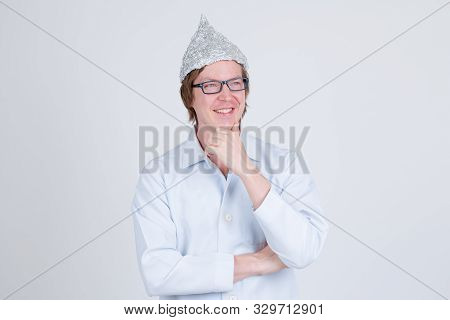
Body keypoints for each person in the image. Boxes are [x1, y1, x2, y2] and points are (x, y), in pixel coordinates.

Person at [131, 14, 329, 300]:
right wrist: (257, 262)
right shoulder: (159, 176)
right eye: (210, 85)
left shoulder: (285, 162)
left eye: (235, 83)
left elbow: (304, 251)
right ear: (189, 97)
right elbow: (158, 274)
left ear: (246, 91)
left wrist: (247, 170)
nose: (227, 96)